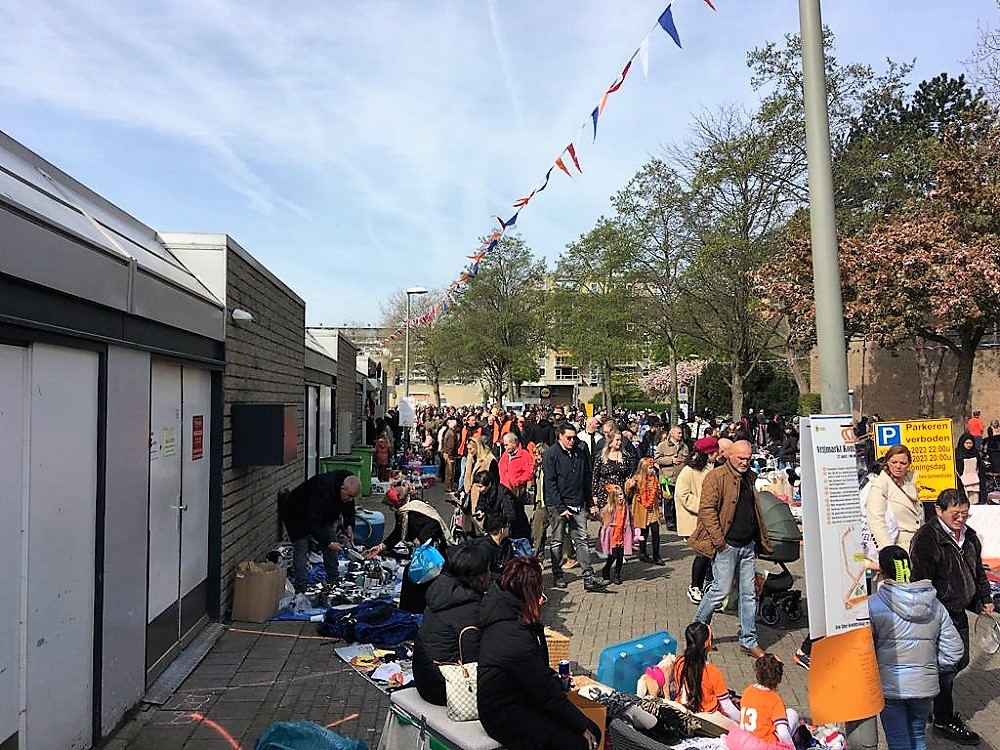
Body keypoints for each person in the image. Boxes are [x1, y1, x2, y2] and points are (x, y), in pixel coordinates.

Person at [477, 557, 602, 750]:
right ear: (529, 591)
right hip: (504, 713)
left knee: (592, 729)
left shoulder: (507, 610)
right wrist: (579, 725)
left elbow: (538, 676)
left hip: (520, 697)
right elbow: (543, 692)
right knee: (582, 741)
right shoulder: (512, 633)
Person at [909, 489, 995, 745]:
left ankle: (928, 703)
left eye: (965, 513)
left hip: (959, 610)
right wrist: (930, 612)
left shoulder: (969, 537)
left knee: (959, 659)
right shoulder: (927, 537)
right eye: (955, 513)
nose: (960, 518)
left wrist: (984, 598)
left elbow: (978, 570)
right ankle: (943, 718)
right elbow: (920, 579)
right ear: (939, 510)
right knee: (947, 664)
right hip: (939, 612)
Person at [868, 545, 963, 750]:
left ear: (882, 571)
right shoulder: (934, 604)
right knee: (918, 737)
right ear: (909, 567)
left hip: (890, 687)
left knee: (899, 742)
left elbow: (865, 650)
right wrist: (929, 668)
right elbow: (954, 649)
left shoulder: (872, 605)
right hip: (924, 688)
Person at [689, 440, 772, 658]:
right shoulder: (716, 477)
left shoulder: (750, 477)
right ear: (729, 456)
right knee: (720, 591)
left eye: (748, 458)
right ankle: (698, 631)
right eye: (741, 458)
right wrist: (720, 542)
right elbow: (706, 510)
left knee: (749, 595)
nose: (745, 462)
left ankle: (749, 640)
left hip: (747, 545)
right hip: (727, 545)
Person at [412, 543, 492, 706]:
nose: (490, 575)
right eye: (488, 570)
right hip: (444, 687)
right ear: (480, 575)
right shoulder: (470, 609)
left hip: (423, 677)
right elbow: (473, 660)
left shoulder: (442, 589)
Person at [543, 423, 606, 592]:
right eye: (568, 438)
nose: (572, 441)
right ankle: (557, 574)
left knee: (582, 540)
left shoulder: (580, 451)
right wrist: (560, 507)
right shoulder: (551, 454)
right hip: (558, 505)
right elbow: (550, 483)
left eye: (574, 437)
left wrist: (590, 503)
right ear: (560, 437)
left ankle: (588, 576)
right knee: (557, 541)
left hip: (577, 503)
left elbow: (586, 478)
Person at [373, 486, 454, 614]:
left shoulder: (415, 511)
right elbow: (398, 532)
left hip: (430, 553)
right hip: (420, 552)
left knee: (419, 578)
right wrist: (381, 546)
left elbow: (434, 523)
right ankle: (412, 609)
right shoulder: (403, 512)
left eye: (391, 505)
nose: (390, 509)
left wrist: (420, 538)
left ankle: (416, 610)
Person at [281, 471, 359, 591]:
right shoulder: (322, 490)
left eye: (352, 497)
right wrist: (327, 542)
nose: (349, 499)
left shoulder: (348, 484)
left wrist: (349, 525)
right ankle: (302, 584)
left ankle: (333, 578)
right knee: (302, 546)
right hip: (297, 513)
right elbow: (313, 522)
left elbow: (349, 508)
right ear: (342, 488)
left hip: (322, 514)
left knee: (332, 540)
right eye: (348, 496)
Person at [675, 436, 720, 603]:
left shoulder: (715, 468)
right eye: (715, 452)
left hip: (711, 519)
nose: (718, 455)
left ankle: (708, 583)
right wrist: (704, 506)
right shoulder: (689, 471)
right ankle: (695, 586)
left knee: (711, 554)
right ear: (709, 454)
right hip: (696, 520)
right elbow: (683, 495)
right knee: (703, 553)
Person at [671, 621, 740, 722]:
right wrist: (743, 722)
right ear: (708, 644)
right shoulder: (713, 672)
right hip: (708, 719)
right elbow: (727, 707)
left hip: (682, 711)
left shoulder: (679, 662)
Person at [727, 654, 799, 749]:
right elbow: (782, 731)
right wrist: (791, 747)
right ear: (779, 678)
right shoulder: (774, 699)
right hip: (763, 744)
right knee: (792, 713)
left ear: (757, 674)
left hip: (743, 740)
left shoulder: (748, 690)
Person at [867, 445, 922, 553]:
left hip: (917, 546)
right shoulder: (881, 484)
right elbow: (875, 520)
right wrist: (887, 550)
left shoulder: (910, 483)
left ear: (909, 464)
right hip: (897, 546)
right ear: (887, 462)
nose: (898, 466)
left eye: (903, 463)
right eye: (894, 462)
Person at [626, 457, 666, 564]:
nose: (652, 470)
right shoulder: (637, 478)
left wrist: (663, 493)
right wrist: (630, 486)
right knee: (643, 533)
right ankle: (643, 553)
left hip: (653, 510)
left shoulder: (654, 479)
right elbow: (628, 493)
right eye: (650, 468)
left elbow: (658, 492)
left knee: (655, 532)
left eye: (653, 467)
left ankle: (656, 555)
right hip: (642, 511)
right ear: (643, 468)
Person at [598, 484, 633, 584]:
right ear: (613, 497)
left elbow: (629, 519)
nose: (621, 497)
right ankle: (606, 569)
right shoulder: (610, 508)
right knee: (613, 555)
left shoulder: (625, 507)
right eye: (618, 495)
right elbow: (602, 518)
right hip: (613, 535)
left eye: (621, 494)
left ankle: (617, 574)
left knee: (620, 556)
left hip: (622, 534)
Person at [592, 432, 631, 509]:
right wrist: (594, 495)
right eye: (617, 440)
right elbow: (595, 476)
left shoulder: (624, 457)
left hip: (620, 494)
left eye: (620, 440)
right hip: (604, 494)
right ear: (610, 441)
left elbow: (628, 475)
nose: (619, 442)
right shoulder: (601, 456)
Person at [499, 431, 534, 499]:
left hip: (516, 491)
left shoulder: (524, 454)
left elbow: (529, 472)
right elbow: (499, 468)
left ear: (514, 444)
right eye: (504, 445)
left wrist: (517, 482)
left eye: (507, 445)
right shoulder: (505, 455)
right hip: (503, 490)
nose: (505, 447)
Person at [954, 433, 981, 505]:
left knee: (974, 503)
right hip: (962, 483)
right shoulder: (957, 453)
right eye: (967, 443)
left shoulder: (975, 452)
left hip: (975, 483)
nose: (969, 445)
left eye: (970, 443)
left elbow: (979, 467)